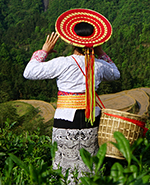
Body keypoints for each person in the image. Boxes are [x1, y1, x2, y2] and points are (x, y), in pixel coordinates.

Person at [23, 9, 120, 182]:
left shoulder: (62, 63)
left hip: (65, 119)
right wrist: (100, 52)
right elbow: (115, 73)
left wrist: (44, 50)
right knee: (89, 165)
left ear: (72, 42)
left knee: (64, 167)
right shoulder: (99, 65)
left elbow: (29, 72)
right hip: (92, 118)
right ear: (93, 42)